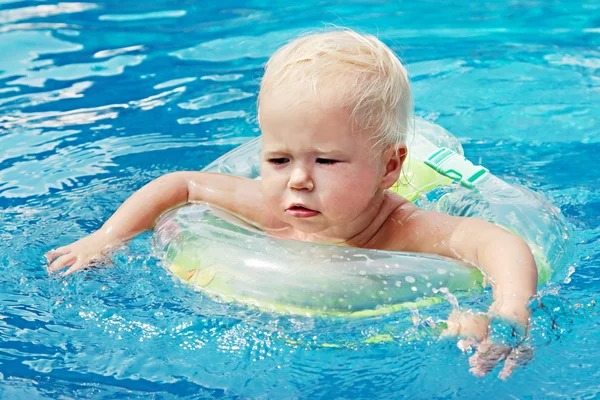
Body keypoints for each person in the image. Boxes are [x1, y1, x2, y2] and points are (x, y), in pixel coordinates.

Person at [46, 29, 537, 379]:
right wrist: (105, 238)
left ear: (389, 168)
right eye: (279, 158)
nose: (298, 180)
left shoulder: (405, 228)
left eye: (326, 160)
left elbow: (499, 241)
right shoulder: (269, 205)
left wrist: (508, 306)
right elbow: (183, 184)